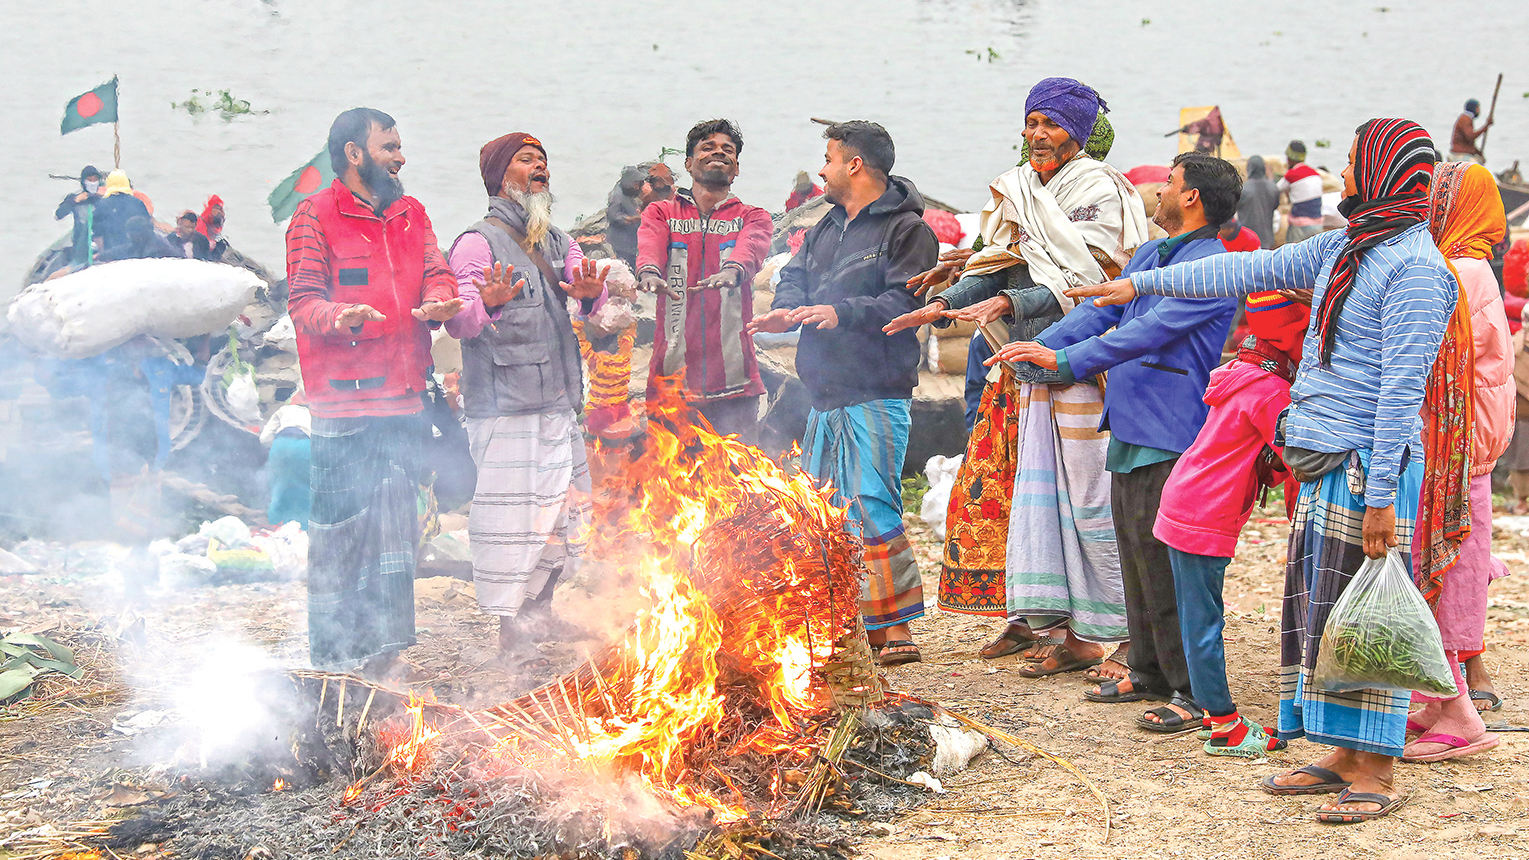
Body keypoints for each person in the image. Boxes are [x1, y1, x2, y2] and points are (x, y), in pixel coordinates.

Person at [1068, 118, 1455, 823]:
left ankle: (1377, 770)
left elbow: (1400, 390)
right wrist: (1139, 285)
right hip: (1323, 461)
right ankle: (1340, 752)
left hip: (1369, 469)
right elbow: (1246, 268)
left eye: (1353, 163)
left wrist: (1381, 502)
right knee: (1318, 616)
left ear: (1387, 173)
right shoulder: (1346, 250)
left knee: (1362, 618)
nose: (1343, 176)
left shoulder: (1418, 272)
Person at [889, 82, 1145, 682]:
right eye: (1030, 123)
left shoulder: (1100, 192)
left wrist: (1006, 298)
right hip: (1026, 363)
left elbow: (1096, 276)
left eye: (1050, 124)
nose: (1036, 135)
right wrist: (946, 301)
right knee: (1038, 498)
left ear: (1078, 133)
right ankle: (1059, 627)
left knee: (1091, 499)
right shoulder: (1020, 188)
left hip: (1087, 365)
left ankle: (1122, 632)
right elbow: (1002, 263)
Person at [993, 154, 1238, 730]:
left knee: (1168, 564)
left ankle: (1189, 691)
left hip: (1172, 428)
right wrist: (1037, 347)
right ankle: (1150, 668)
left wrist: (1063, 360)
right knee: (1134, 553)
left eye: (1169, 184)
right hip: (1130, 423)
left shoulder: (1213, 267)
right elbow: (1100, 312)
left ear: (1192, 198)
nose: (1157, 192)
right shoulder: (1153, 255)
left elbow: (1142, 332)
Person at [749, 120, 936, 665]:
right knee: (826, 509)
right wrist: (786, 307)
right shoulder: (828, 227)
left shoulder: (907, 231)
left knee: (873, 503)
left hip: (876, 390)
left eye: (829, 158)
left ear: (855, 164)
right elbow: (794, 276)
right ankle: (848, 623)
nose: (824, 168)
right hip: (825, 392)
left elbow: (907, 304)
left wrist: (840, 312)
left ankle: (895, 631)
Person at [286, 107, 463, 677]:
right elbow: (302, 302)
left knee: (396, 527)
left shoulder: (411, 212)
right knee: (341, 530)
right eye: (389, 146)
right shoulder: (313, 216)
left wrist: (439, 298)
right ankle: (337, 655)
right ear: (355, 154)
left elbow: (436, 267)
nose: (400, 156)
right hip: (344, 403)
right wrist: (342, 316)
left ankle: (387, 654)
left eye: (399, 145)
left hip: (405, 394)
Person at [444, 132, 608, 658]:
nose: (541, 169)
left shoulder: (559, 242)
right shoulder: (475, 244)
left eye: (543, 160)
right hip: (503, 409)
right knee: (511, 524)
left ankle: (541, 614)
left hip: (558, 404)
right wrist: (486, 304)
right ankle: (510, 630)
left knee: (562, 515)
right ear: (500, 176)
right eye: (527, 160)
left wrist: (591, 294)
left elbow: (590, 299)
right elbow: (460, 326)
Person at [1154, 290, 1308, 757]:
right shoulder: (1273, 393)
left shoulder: (1238, 373)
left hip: (1183, 497)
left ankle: (1214, 713)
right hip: (1206, 512)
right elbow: (1297, 456)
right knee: (1205, 621)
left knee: (1195, 614)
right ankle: (1223, 723)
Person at [1404, 161, 1510, 762]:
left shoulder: (1459, 270)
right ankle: (1437, 698)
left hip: (1452, 449)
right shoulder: (1474, 264)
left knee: (1443, 568)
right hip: (1466, 447)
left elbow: (1441, 365)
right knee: (1446, 566)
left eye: (1433, 198)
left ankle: (1459, 713)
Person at [636, 119, 773, 442]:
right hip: (671, 380)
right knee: (669, 482)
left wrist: (733, 271)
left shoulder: (753, 217)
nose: (719, 154)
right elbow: (650, 245)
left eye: (728, 150)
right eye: (708, 148)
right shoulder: (661, 213)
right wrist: (650, 273)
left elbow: (751, 247)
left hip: (735, 383)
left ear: (736, 168)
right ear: (688, 163)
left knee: (736, 483)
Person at [260, 391, 312, 528]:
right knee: (305, 489)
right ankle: (303, 531)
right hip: (305, 446)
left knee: (279, 488)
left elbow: (264, 438)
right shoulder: (314, 414)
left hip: (280, 445)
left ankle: (275, 527)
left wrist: (280, 447)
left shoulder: (283, 410)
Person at [55, 166, 102, 267]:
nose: (93, 183)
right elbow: (58, 215)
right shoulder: (74, 198)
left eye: (95, 180)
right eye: (90, 180)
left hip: (100, 244)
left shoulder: (102, 198)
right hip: (80, 244)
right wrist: (74, 201)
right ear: (83, 182)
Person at [93, 170, 151, 252]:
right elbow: (147, 227)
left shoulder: (102, 204)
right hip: (136, 252)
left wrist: (102, 253)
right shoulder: (138, 203)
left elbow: (97, 232)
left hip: (110, 252)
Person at [1278, 141, 1325, 244]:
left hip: (1300, 226)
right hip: (1318, 223)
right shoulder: (1315, 174)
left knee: (1293, 252)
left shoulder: (1291, 175)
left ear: (1289, 158)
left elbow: (1278, 188)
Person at [1237, 155, 1279, 249]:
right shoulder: (1272, 187)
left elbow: (1234, 208)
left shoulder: (1243, 189)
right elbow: (1275, 206)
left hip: (1248, 239)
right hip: (1267, 239)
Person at [97, 215, 179, 262]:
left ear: (138, 234)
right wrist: (101, 255)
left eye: (130, 234)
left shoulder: (156, 249)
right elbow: (125, 249)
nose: (128, 236)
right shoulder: (145, 241)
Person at [1449, 99, 1492, 164]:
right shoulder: (1466, 119)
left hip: (1462, 153)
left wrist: (1478, 153)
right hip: (1461, 154)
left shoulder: (1465, 119)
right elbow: (1470, 136)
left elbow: (1469, 141)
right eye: (1478, 108)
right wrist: (1485, 127)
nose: (1479, 111)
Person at [198, 195, 228, 260]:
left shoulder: (216, 224)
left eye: (221, 209)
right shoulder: (201, 222)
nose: (220, 212)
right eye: (217, 208)